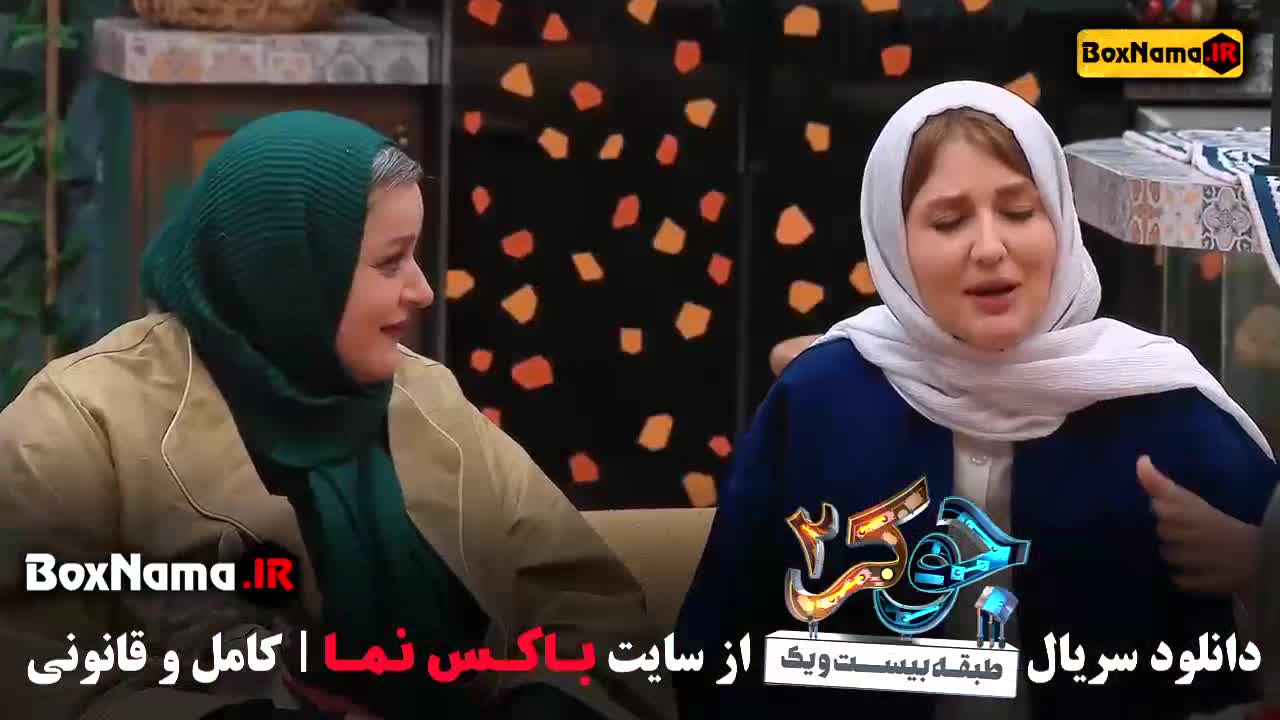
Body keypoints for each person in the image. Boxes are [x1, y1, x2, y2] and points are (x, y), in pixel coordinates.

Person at [0, 111, 674, 720]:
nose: (423, 290)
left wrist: (544, 708)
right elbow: (33, 678)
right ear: (287, 272)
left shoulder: (427, 399)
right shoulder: (79, 423)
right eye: (390, 261)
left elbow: (589, 607)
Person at [673, 81, 1278, 720]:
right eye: (948, 221)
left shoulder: (1159, 401)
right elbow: (716, 650)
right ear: (894, 241)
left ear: (1061, 224)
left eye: (1019, 212)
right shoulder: (817, 401)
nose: (990, 248)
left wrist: (1258, 565)